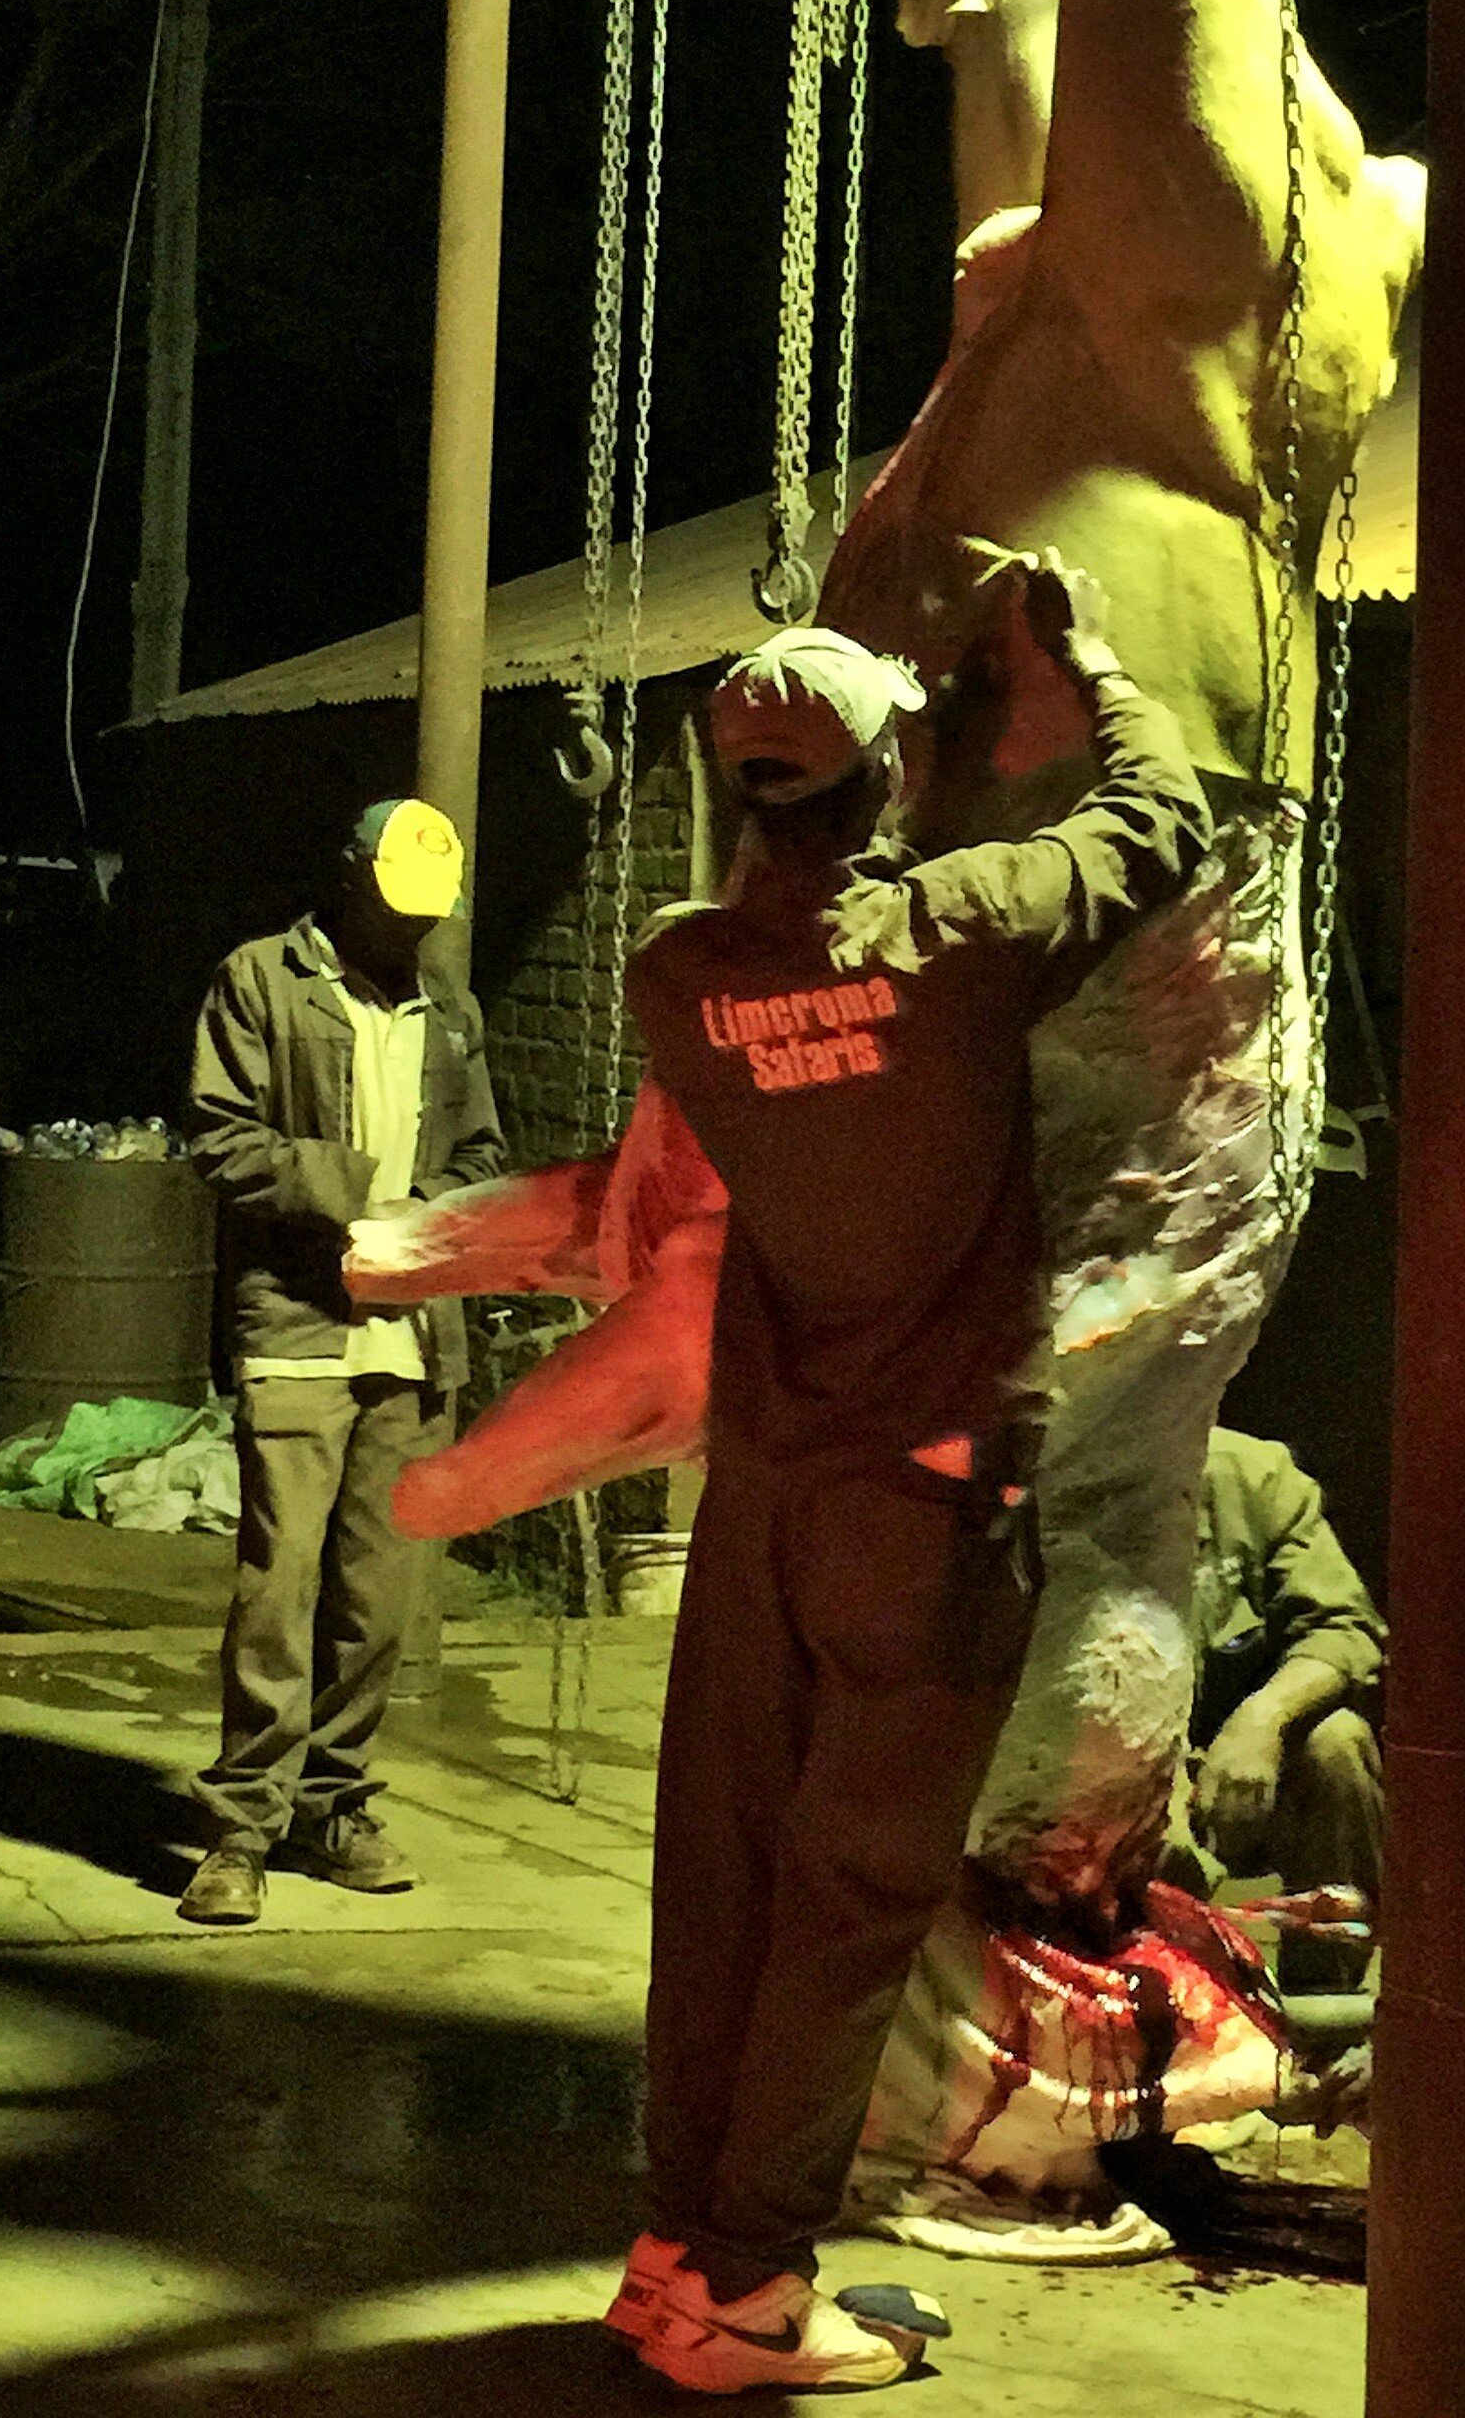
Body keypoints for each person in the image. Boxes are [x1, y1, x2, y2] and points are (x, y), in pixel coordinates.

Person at [601, 569, 1211, 2396]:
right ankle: (752, 2287)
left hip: (766, 1500)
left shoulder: (675, 974)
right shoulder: (953, 933)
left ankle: (671, 2246)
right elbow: (1159, 822)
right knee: (844, 1903)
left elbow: (815, 970)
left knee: (718, 1879)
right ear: (878, 784)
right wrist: (1085, 661)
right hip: (922, 1511)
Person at [176, 797, 504, 1926]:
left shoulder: (449, 1011)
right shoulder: (261, 982)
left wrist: (448, 1222)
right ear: (350, 876)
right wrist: (365, 1195)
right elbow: (220, 1138)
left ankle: (338, 1804)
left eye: (428, 916)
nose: (410, 934)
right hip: (300, 1329)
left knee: (378, 1599)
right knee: (280, 1588)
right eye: (394, 909)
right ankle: (240, 1831)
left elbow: (482, 1154)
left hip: (413, 1345)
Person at [1168, 1425, 1384, 1992]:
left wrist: (1263, 1719)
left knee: (1338, 1744)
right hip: (1094, 1772)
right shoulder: (1049, 1468)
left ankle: (1324, 2009)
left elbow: (1345, 1627)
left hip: (1232, 1778)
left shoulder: (1252, 1474)